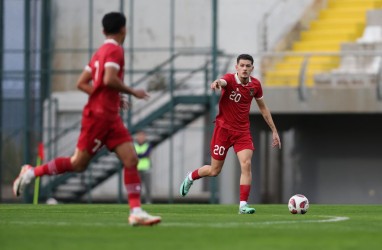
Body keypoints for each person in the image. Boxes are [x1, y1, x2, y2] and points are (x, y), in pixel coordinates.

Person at [13, 12, 161, 226]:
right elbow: (109, 78)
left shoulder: (100, 52)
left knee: (131, 159)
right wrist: (131, 91)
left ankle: (136, 211)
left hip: (110, 117)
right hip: (98, 118)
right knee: (77, 164)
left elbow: (82, 83)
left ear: (103, 31)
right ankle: (31, 172)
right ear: (123, 30)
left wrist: (110, 97)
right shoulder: (115, 50)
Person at [180, 54, 281, 214]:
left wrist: (274, 130)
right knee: (214, 171)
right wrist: (217, 83)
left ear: (252, 69)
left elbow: (263, 108)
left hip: (242, 132)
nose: (245, 68)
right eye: (242, 65)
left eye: (248, 66)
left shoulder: (255, 85)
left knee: (246, 164)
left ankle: (242, 206)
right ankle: (191, 176)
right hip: (223, 130)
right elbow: (223, 81)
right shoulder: (230, 79)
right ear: (236, 67)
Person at [134, 131, 152, 204]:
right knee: (137, 187)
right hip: (136, 169)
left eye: (142, 136)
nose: (141, 138)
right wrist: (140, 155)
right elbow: (133, 154)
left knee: (147, 187)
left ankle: (148, 201)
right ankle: (137, 202)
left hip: (146, 168)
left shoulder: (148, 145)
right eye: (139, 136)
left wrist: (138, 155)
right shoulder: (134, 144)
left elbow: (146, 154)